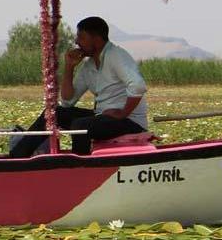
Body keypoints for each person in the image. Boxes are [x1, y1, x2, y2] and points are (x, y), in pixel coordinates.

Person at [9, 16, 148, 157]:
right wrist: (69, 67)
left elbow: (137, 85)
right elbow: (68, 101)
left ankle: (79, 165)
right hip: (103, 117)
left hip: (129, 121)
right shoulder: (89, 66)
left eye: (81, 37)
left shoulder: (116, 56)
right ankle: (17, 156)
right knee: (54, 113)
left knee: (81, 125)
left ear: (96, 39)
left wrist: (123, 113)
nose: (76, 42)